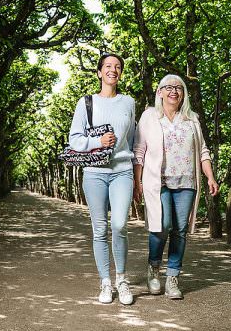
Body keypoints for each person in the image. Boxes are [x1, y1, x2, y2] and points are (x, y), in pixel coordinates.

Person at [133, 74, 219, 299]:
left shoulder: (192, 119)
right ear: (159, 92)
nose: (174, 91)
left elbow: (203, 151)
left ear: (183, 94)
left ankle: (172, 277)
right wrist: (137, 182)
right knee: (162, 225)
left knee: (180, 230)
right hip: (157, 181)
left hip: (186, 183)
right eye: (168, 87)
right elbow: (139, 152)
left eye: (179, 88)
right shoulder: (149, 116)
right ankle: (153, 268)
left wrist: (210, 177)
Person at [68, 53, 136, 305]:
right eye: (108, 66)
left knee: (119, 225)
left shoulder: (129, 102)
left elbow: (133, 138)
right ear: (99, 72)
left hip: (122, 171)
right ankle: (105, 283)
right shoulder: (86, 103)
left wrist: (137, 175)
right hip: (94, 173)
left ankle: (122, 280)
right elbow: (74, 139)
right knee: (99, 230)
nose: (113, 70)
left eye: (117, 67)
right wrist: (97, 141)